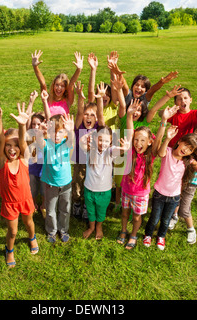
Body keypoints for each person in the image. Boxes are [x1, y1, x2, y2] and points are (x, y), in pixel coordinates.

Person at [143, 127, 197, 250]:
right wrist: (167, 138)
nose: (186, 150)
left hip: (174, 197)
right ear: (179, 141)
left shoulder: (190, 161)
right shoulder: (167, 152)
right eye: (186, 145)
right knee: (154, 218)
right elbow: (161, 153)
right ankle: (148, 235)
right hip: (159, 194)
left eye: (190, 149)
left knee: (166, 220)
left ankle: (161, 237)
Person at [116, 100, 179, 250]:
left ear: (149, 142)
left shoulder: (151, 155)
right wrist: (130, 115)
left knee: (137, 217)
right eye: (136, 140)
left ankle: (133, 234)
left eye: (143, 141)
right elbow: (130, 131)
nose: (138, 143)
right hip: (126, 189)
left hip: (141, 194)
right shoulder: (131, 150)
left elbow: (158, 138)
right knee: (124, 214)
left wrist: (164, 120)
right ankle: (123, 231)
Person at [0, 99, 39, 267]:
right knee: (13, 231)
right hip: (10, 203)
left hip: (25, 200)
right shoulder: (3, 162)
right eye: (8, 145)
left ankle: (32, 238)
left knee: (29, 223)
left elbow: (23, 143)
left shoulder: (24, 159)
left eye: (15, 146)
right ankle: (9, 250)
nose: (11, 149)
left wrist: (23, 126)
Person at [79, 126, 130, 240]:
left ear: (111, 141)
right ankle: (91, 227)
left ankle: (99, 227)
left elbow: (119, 150)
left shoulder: (110, 151)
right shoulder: (89, 150)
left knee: (101, 212)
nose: (103, 143)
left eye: (107, 141)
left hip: (104, 191)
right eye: (100, 139)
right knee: (91, 211)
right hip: (89, 189)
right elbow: (81, 142)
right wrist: (88, 135)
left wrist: (124, 148)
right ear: (96, 138)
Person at [34, 111, 75, 244]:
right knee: (50, 210)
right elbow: (39, 141)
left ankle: (63, 230)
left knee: (65, 209)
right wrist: (40, 131)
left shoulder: (66, 143)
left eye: (60, 131)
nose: (56, 134)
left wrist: (71, 130)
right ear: (48, 132)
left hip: (66, 185)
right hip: (50, 184)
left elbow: (72, 140)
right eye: (53, 131)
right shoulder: (47, 144)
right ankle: (51, 231)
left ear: (64, 133)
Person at [71, 81, 105, 220]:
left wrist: (100, 98)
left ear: (96, 118)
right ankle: (77, 203)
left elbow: (101, 114)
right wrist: (80, 97)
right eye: (86, 114)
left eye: (92, 114)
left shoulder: (98, 127)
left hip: (93, 164)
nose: (88, 117)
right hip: (79, 162)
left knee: (90, 186)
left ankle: (86, 206)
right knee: (77, 185)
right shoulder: (79, 126)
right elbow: (79, 112)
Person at [107, 50, 178, 114]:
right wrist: (119, 74)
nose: (139, 88)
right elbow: (124, 85)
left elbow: (152, 90)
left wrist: (161, 82)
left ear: (145, 90)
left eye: (143, 87)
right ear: (133, 86)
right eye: (137, 85)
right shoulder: (129, 95)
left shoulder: (145, 98)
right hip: (125, 126)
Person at [31, 50, 83, 117]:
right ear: (53, 85)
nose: (59, 88)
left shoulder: (67, 100)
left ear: (65, 88)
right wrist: (35, 67)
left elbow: (71, 85)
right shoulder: (48, 98)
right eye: (57, 85)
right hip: (50, 127)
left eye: (62, 86)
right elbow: (43, 84)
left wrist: (79, 69)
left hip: (63, 127)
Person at [25, 90, 47, 218]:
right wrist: (31, 102)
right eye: (34, 124)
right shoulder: (29, 134)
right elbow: (26, 118)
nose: (36, 126)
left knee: (44, 190)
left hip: (44, 169)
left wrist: (44, 102)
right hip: (32, 169)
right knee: (32, 190)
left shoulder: (46, 136)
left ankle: (43, 205)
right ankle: (33, 204)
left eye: (39, 124)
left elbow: (49, 120)